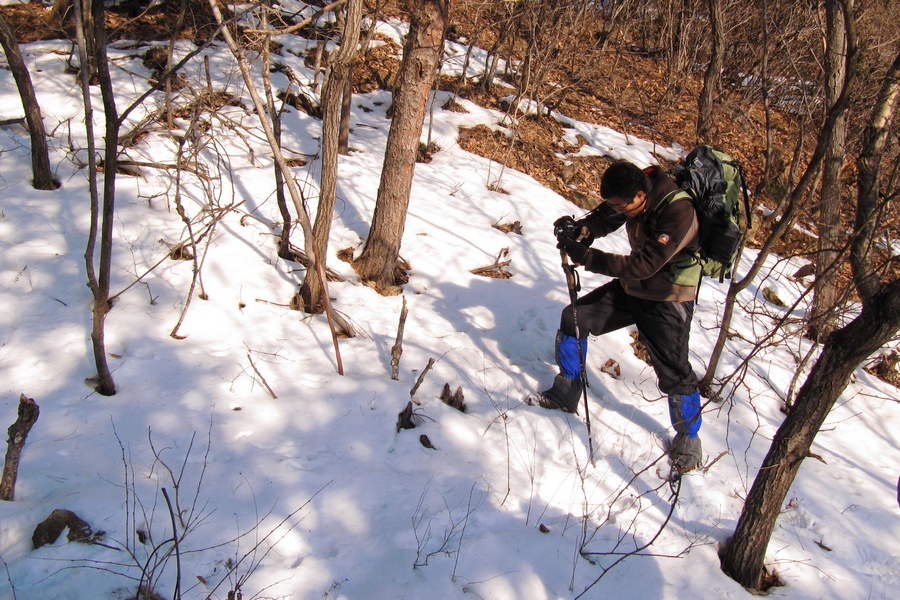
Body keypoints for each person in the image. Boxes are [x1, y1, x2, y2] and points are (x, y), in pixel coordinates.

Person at [535, 159, 704, 473]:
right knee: (574, 318)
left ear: (640, 196)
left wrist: (588, 257)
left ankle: (689, 440)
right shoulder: (633, 195)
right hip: (634, 287)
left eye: (622, 205)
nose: (618, 209)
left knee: (674, 371)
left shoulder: (679, 212)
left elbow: (645, 265)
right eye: (614, 203)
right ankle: (566, 390)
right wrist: (580, 230)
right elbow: (604, 218)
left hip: (667, 297)